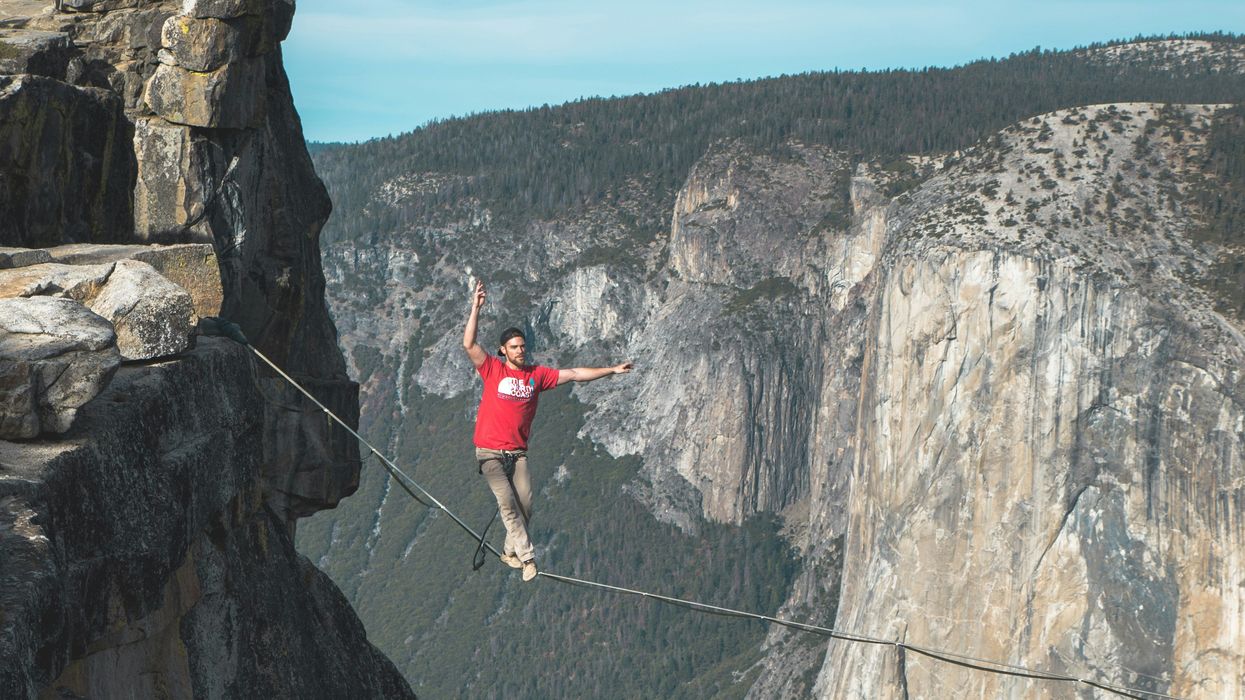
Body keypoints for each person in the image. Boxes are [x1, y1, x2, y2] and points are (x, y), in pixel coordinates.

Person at [462, 279, 633, 582]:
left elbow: (576, 373)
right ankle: (528, 558)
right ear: (503, 351)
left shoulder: (536, 376)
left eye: (523, 346)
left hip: (517, 454)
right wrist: (475, 308)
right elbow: (469, 345)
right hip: (489, 451)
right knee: (506, 503)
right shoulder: (492, 369)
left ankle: (510, 551)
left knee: (525, 506)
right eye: (514, 347)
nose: (520, 351)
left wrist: (611, 370)